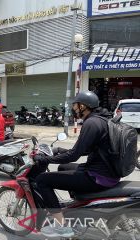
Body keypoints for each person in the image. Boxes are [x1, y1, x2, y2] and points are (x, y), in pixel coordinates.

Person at [33, 91, 119, 238]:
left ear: (83, 106)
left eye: (75, 105)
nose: (74, 108)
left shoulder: (91, 123)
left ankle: (62, 226)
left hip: (97, 177)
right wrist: (59, 150)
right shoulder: (102, 120)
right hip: (107, 173)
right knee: (63, 168)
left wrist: (45, 159)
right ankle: (79, 211)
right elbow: (85, 150)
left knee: (42, 180)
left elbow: (74, 155)